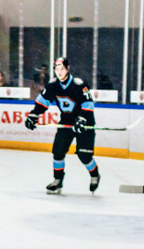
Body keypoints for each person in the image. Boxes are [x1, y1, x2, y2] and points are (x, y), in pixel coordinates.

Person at [23, 57, 99, 194]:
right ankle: (58, 180)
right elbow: (43, 102)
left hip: (85, 123)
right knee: (58, 152)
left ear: (67, 69)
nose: (59, 72)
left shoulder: (78, 84)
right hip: (67, 122)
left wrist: (82, 119)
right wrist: (33, 115)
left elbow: (88, 104)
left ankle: (95, 175)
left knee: (84, 155)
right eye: (56, 69)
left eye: (62, 69)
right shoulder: (52, 85)